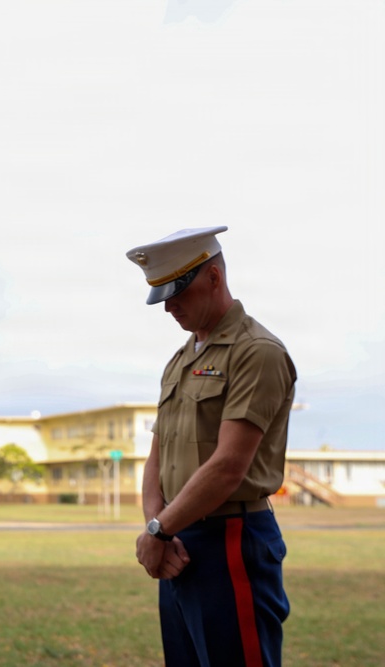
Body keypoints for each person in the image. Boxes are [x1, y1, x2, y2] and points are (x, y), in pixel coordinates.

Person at [126, 226, 295, 667]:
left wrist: (158, 532)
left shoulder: (256, 351)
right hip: (177, 541)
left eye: (178, 292)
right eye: (162, 296)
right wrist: (157, 528)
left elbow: (228, 466)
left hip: (230, 538)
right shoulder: (180, 360)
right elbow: (157, 457)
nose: (169, 307)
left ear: (214, 278)